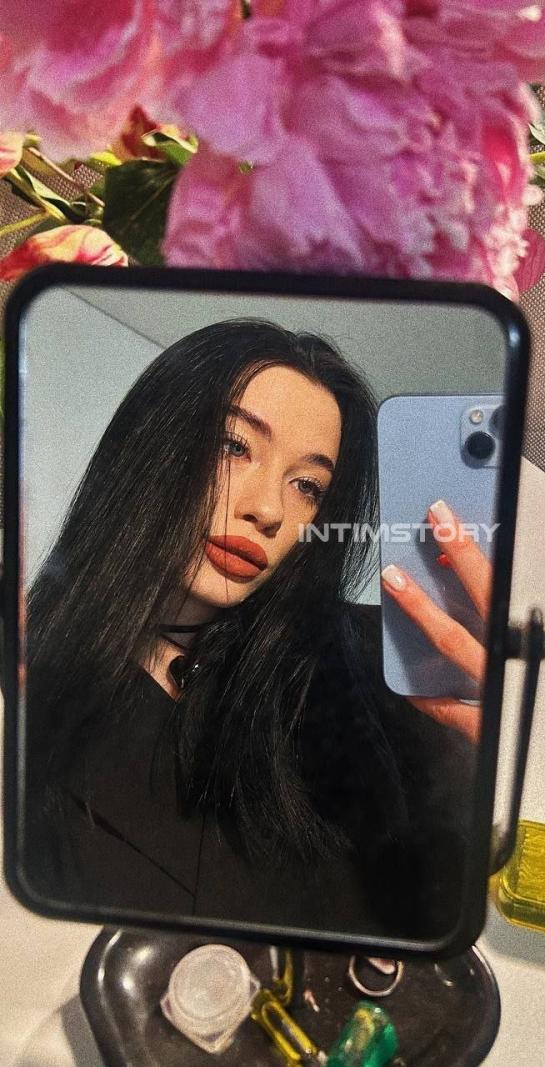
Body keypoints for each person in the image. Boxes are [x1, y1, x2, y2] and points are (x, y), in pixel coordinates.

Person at [24, 317, 485, 940]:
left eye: (308, 486)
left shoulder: (371, 657)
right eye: (234, 446)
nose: (268, 510)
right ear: (150, 445)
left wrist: (483, 761)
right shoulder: (33, 689)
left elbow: (444, 880)